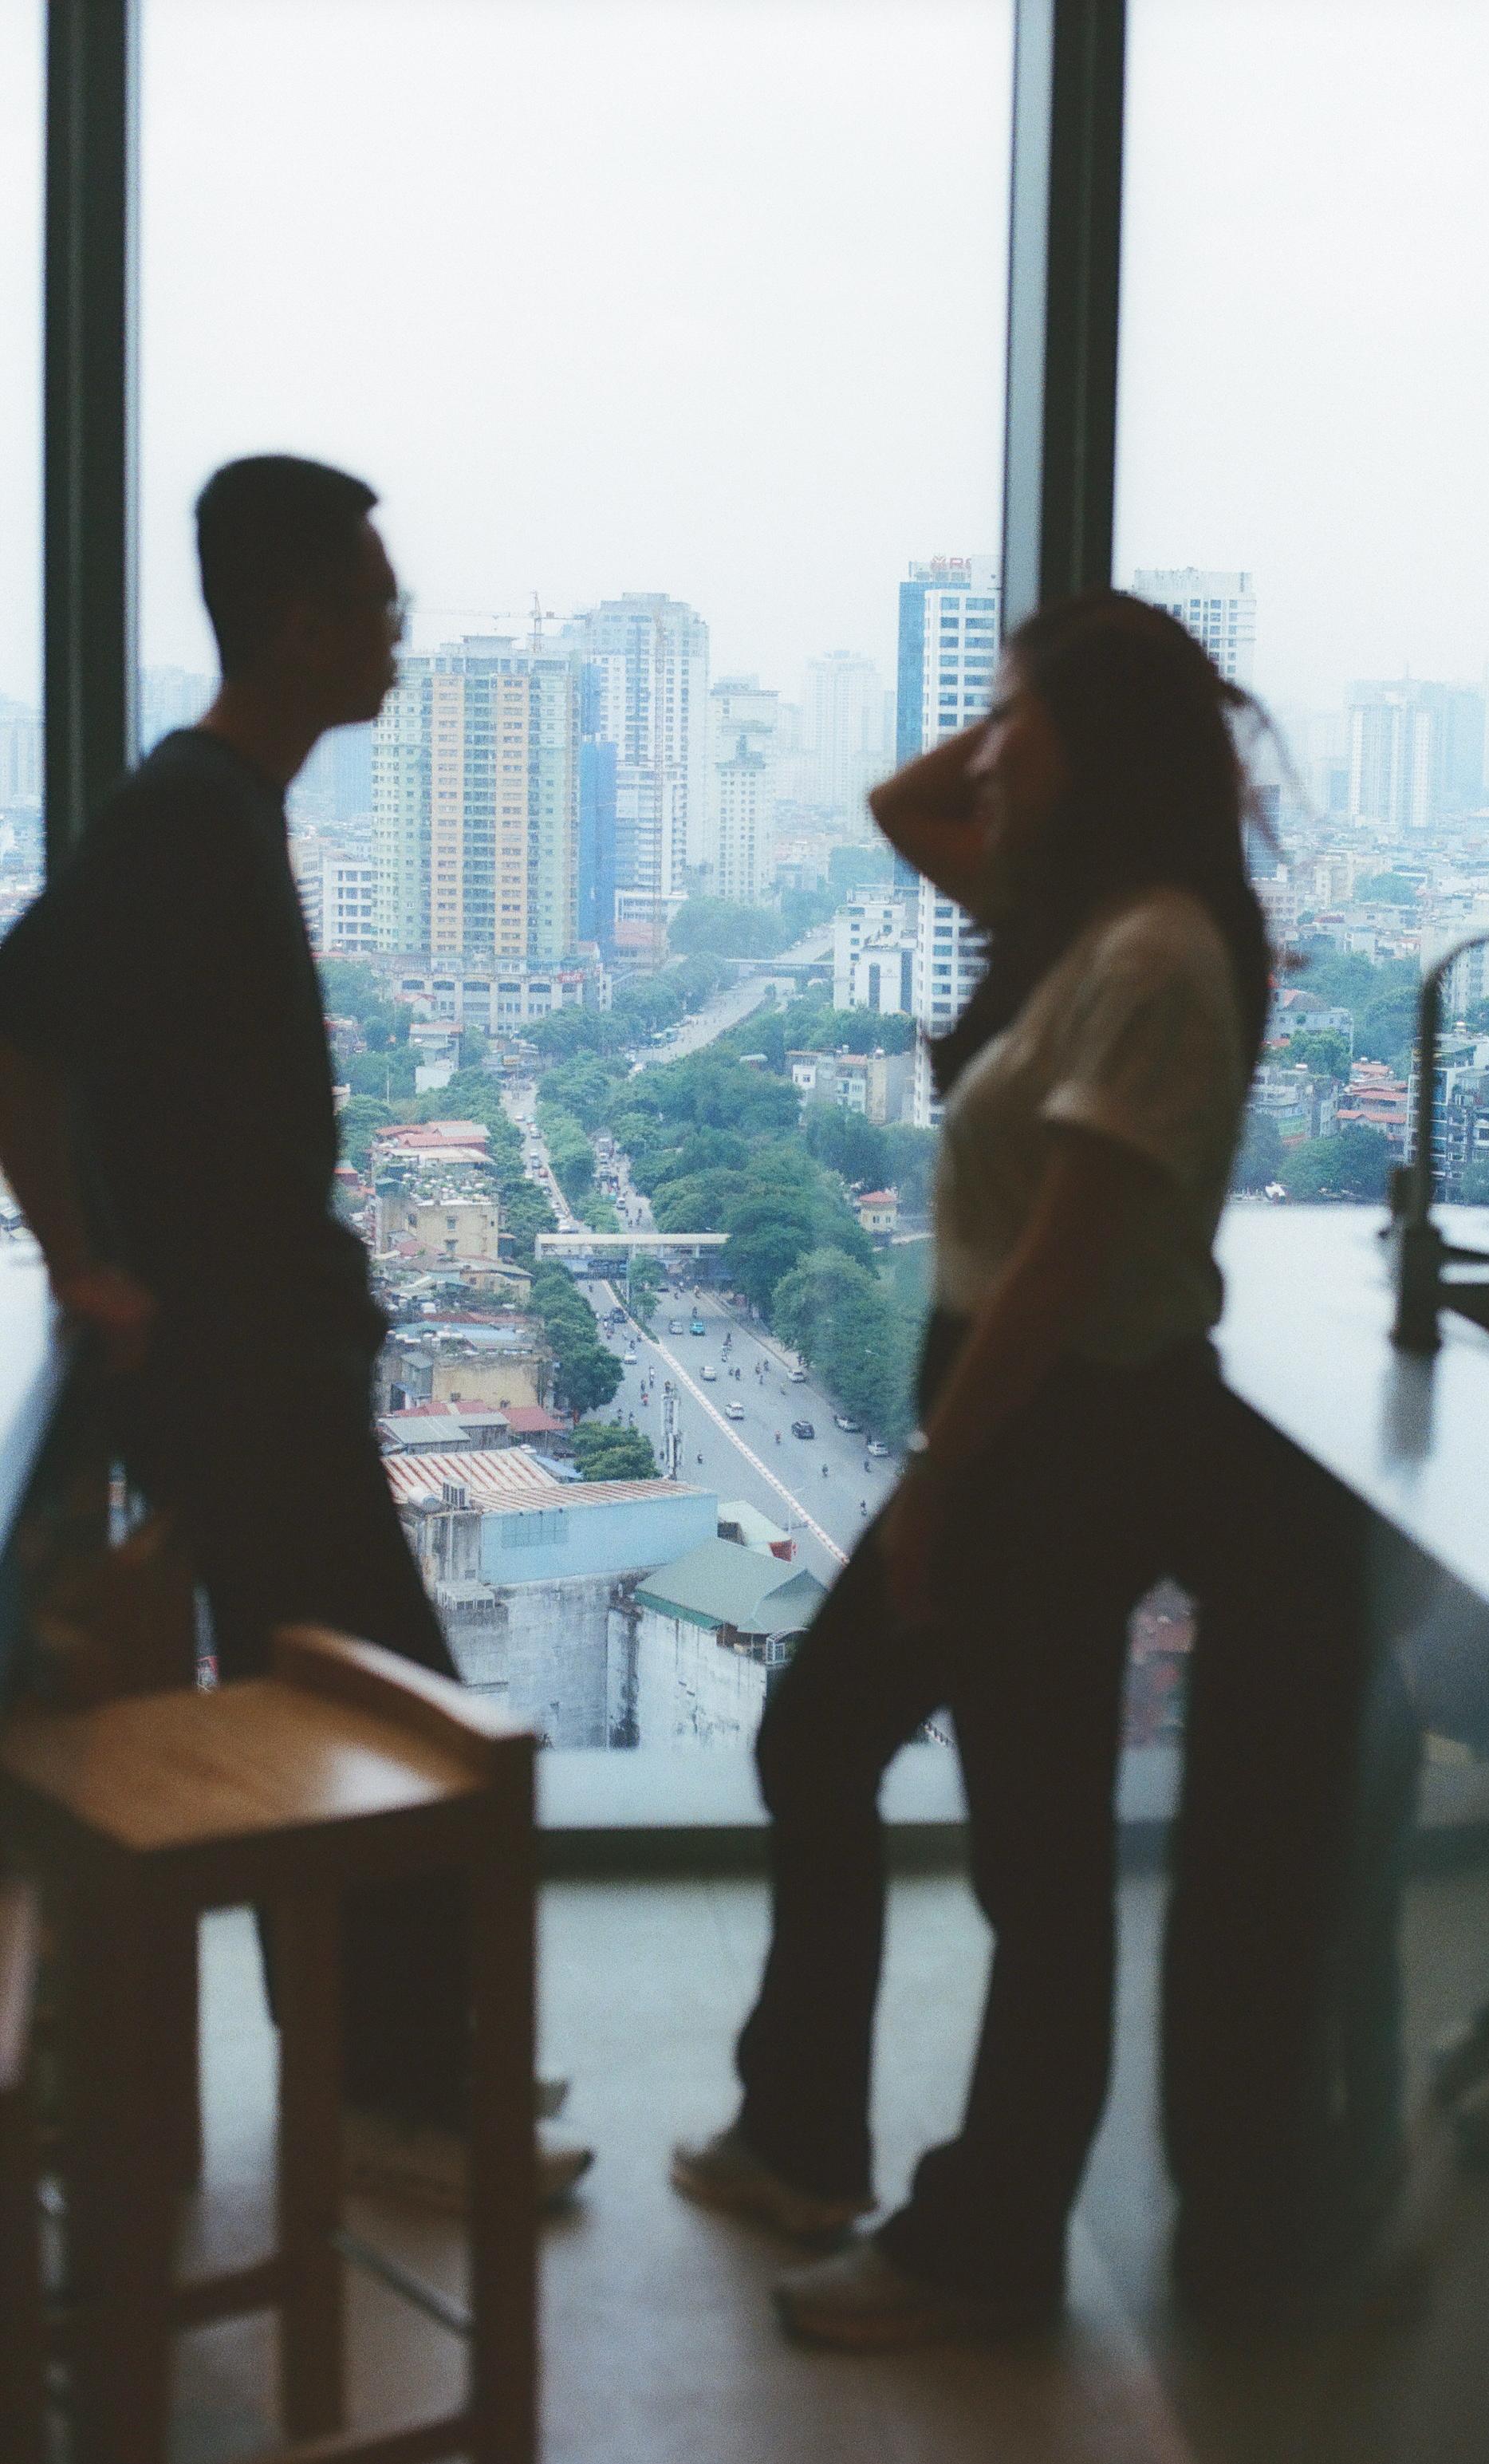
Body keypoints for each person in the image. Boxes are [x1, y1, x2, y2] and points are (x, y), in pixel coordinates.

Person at [671, 589, 1272, 2346]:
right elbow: (897, 809)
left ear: (1108, 753)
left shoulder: (1153, 951)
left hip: (1059, 1433)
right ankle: (803, 2135)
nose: (984, 750)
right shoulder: (1086, 917)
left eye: (1015, 719)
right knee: (833, 1742)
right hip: (1023, 1424)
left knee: (1032, 1859)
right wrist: (1038, 703)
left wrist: (937, 1479)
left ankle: (984, 2241)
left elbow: (1062, 1269)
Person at [0, 455, 590, 2214]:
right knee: (387, 1741)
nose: (403, 635)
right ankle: (399, 2105)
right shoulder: (192, 810)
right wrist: (80, 1264)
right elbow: (16, 1024)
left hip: (265, 1366)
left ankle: (394, 2071)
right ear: (304, 623)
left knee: (355, 1726)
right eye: (383, 606)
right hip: (239, 1381)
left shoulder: (226, 806)